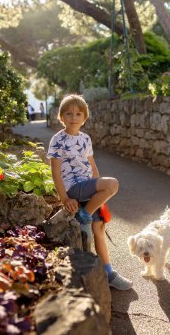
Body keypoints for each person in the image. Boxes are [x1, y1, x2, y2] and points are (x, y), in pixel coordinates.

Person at [47, 94, 133, 290]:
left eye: (78, 114)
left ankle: (109, 273)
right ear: (61, 117)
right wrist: (64, 197)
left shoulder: (86, 139)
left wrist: (100, 196)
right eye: (68, 114)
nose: (74, 117)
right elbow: (55, 171)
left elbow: (92, 167)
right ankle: (84, 215)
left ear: (84, 118)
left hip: (89, 188)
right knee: (113, 184)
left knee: (99, 228)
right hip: (74, 188)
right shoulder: (58, 139)